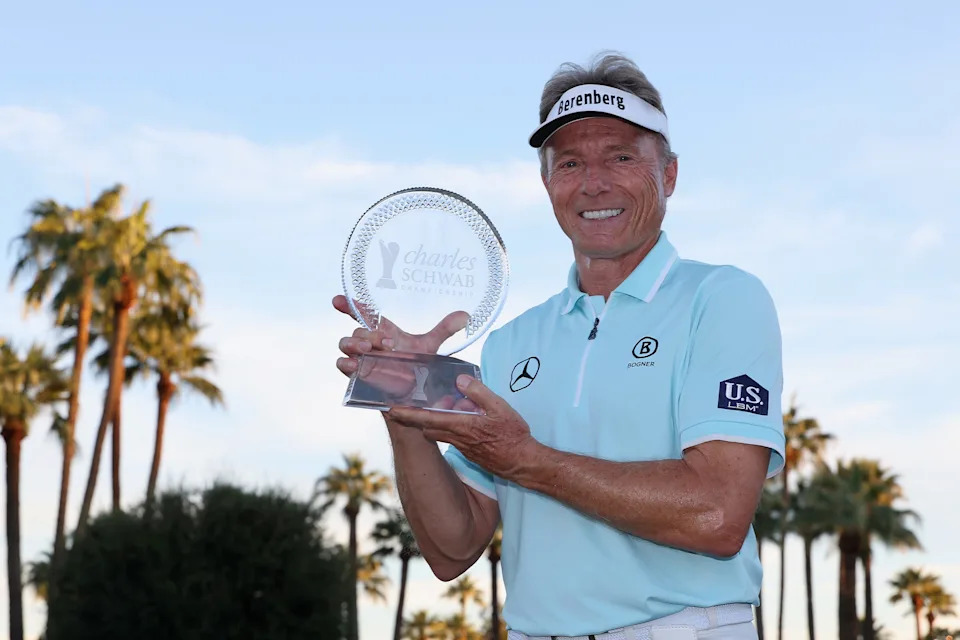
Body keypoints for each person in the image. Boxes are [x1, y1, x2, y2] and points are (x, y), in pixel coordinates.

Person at [334, 53, 785, 640]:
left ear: (669, 174)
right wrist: (405, 404)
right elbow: (452, 549)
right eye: (569, 162)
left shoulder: (722, 298)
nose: (594, 182)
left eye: (621, 156)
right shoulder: (511, 341)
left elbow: (717, 514)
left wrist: (526, 459)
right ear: (547, 184)